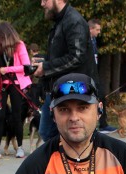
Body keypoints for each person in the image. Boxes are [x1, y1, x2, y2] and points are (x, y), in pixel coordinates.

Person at [32, 0, 98, 142]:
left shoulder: (73, 21)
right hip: (61, 89)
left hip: (74, 90)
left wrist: (46, 68)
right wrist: (42, 63)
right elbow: (65, 56)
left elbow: (76, 57)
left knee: (69, 137)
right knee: (50, 134)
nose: (42, 4)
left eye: (45, 0)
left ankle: (73, 163)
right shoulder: (61, 22)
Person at [0, 21, 32, 159]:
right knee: (0, 115)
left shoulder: (19, 46)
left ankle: (19, 147)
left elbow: (26, 66)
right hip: (3, 84)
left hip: (16, 83)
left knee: (16, 115)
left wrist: (8, 69)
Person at [88, 18, 117, 134]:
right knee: (91, 100)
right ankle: (92, 126)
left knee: (101, 97)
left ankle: (103, 124)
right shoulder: (85, 41)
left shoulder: (93, 41)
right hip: (88, 75)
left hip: (95, 75)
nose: (99, 32)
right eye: (97, 29)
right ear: (90, 29)